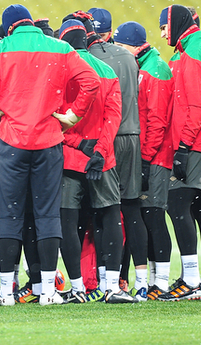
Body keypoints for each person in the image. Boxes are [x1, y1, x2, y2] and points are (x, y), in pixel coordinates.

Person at [0, 4, 101, 306]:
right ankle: (48, 290)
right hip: (48, 142)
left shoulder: (0, 48)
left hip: (11, 142)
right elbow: (92, 82)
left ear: (9, 27)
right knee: (47, 216)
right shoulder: (60, 48)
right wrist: (72, 116)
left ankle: (6, 292)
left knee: (9, 215)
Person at [57, 19, 135, 304]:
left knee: (68, 221)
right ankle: (112, 286)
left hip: (70, 157)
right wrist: (100, 151)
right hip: (103, 158)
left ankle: (77, 288)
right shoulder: (107, 71)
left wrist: (79, 143)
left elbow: (55, 118)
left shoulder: (61, 69)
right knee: (110, 216)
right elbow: (114, 117)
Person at [157, 5, 201, 302]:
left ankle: (191, 279)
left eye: (164, 27)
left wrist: (184, 146)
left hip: (198, 142)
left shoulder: (193, 53)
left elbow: (198, 106)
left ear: (176, 23)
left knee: (176, 204)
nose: (163, 33)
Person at [113, 21, 174, 300]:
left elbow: (157, 121)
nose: (117, 50)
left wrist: (146, 161)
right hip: (149, 154)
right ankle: (153, 281)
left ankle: (160, 282)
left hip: (156, 156)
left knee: (153, 216)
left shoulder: (155, 70)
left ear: (134, 46)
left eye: (120, 46)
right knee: (145, 216)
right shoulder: (144, 66)